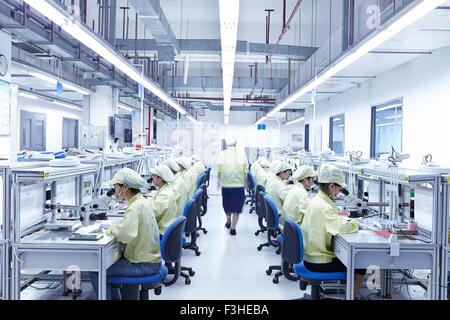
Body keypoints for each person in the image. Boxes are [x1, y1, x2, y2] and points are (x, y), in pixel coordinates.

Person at [89, 168, 161, 300]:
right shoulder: (140, 201)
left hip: (143, 264)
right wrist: (117, 226)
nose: (114, 189)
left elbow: (125, 234)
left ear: (125, 187)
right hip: (150, 260)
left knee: (96, 269)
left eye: (115, 186)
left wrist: (110, 228)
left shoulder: (135, 206)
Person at [300, 164, 365, 299]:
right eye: (339, 187)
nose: (339, 191)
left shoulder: (317, 200)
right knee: (360, 264)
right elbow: (342, 227)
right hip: (318, 262)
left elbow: (331, 221)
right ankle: (352, 297)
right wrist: (357, 224)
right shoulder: (324, 207)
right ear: (331, 186)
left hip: (310, 256)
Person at [216, 136, 248, 235]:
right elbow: (245, 171)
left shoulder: (222, 154)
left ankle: (228, 220)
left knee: (227, 205)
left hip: (226, 185)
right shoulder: (242, 154)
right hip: (238, 186)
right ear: (236, 143)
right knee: (236, 207)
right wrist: (245, 184)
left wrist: (218, 182)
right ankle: (233, 228)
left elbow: (218, 170)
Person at [148, 164, 178, 236]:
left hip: (162, 231)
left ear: (160, 178)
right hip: (167, 226)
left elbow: (153, 211)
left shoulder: (165, 194)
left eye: (154, 176)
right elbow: (154, 201)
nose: (152, 178)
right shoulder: (165, 188)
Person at [265, 161, 293, 231]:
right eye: (289, 172)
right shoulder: (278, 184)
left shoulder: (275, 180)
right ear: (282, 172)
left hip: (272, 213)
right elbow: (287, 198)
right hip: (279, 213)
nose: (290, 175)